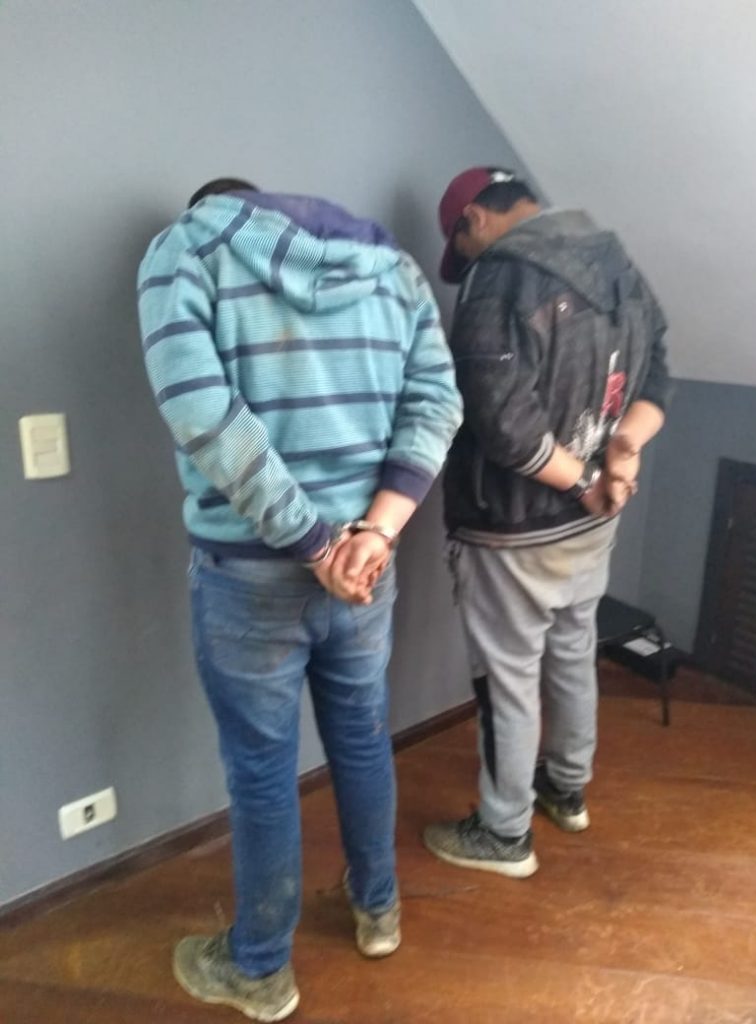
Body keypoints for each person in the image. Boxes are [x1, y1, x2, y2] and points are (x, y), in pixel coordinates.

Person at [137, 177, 462, 1021]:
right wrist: (373, 534)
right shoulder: (391, 268)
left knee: (262, 772)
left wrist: (315, 544)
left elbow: (204, 416)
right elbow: (437, 401)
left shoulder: (185, 250)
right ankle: (378, 911)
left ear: (211, 208)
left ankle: (260, 968)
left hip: (255, 574)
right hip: (365, 566)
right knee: (362, 739)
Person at [423, 167, 671, 879]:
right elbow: (659, 377)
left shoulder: (499, 277)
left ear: (474, 218)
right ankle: (566, 789)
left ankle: (504, 832)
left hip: (513, 525)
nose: (465, 259)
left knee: (507, 679)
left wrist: (588, 480)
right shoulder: (617, 259)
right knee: (572, 652)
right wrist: (621, 453)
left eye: (460, 244)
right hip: (594, 520)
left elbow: (504, 426)